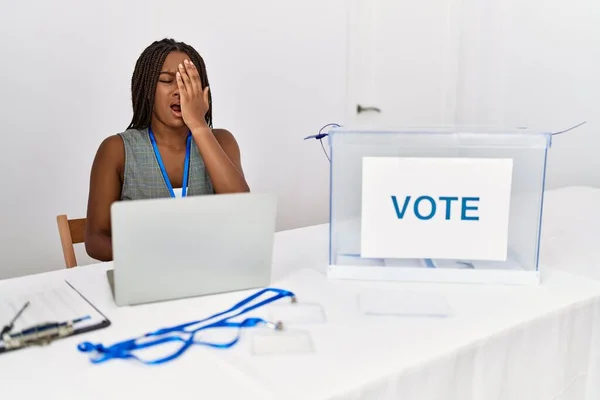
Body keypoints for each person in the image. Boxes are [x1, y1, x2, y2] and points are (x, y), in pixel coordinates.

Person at [84, 38, 250, 262]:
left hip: (212, 269)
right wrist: (150, 257)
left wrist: (199, 126)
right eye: (166, 80)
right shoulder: (116, 150)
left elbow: (244, 213)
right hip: (144, 277)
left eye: (188, 81)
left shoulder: (222, 141)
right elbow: (95, 239)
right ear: (147, 89)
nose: (179, 91)